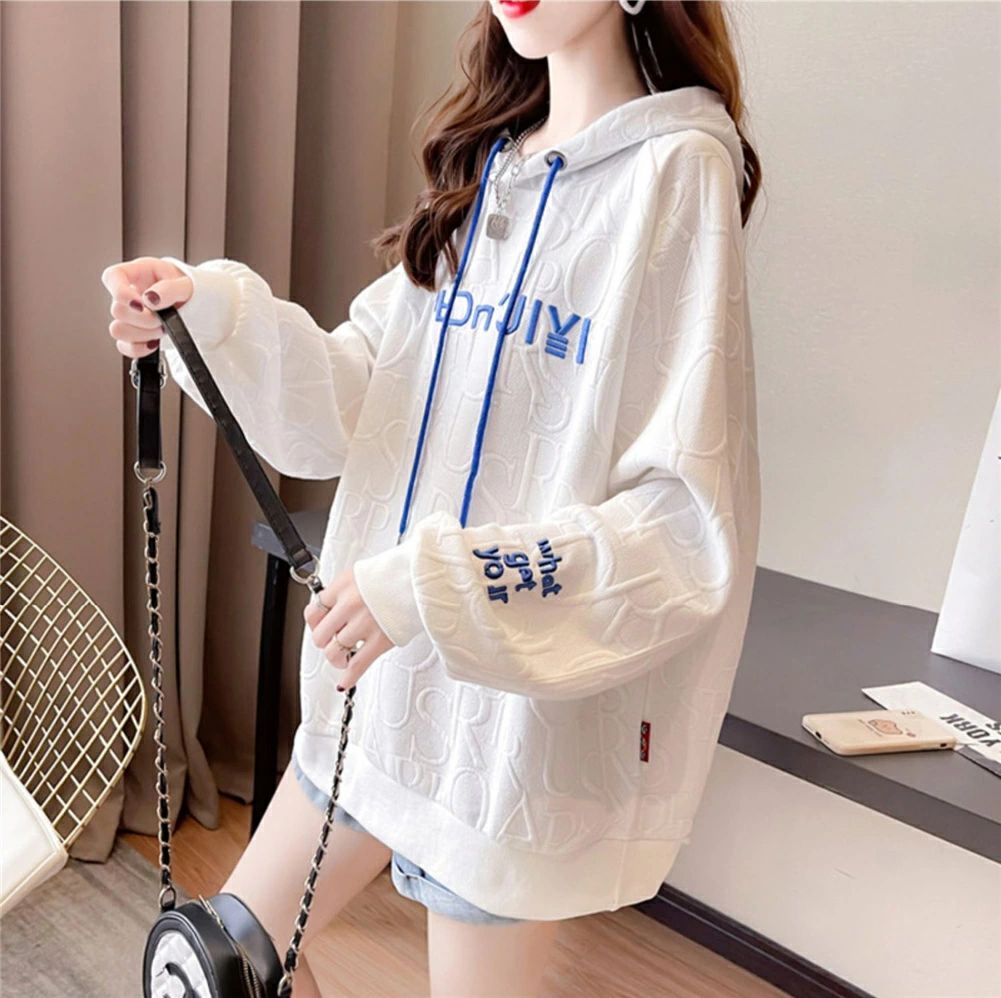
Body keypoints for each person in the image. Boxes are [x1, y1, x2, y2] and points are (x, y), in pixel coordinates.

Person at [102, 1, 763, 994]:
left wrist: (435, 585)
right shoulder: (486, 167)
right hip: (377, 691)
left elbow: (684, 523)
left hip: (507, 734)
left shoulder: (675, 172)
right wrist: (213, 319)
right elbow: (361, 396)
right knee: (216, 970)